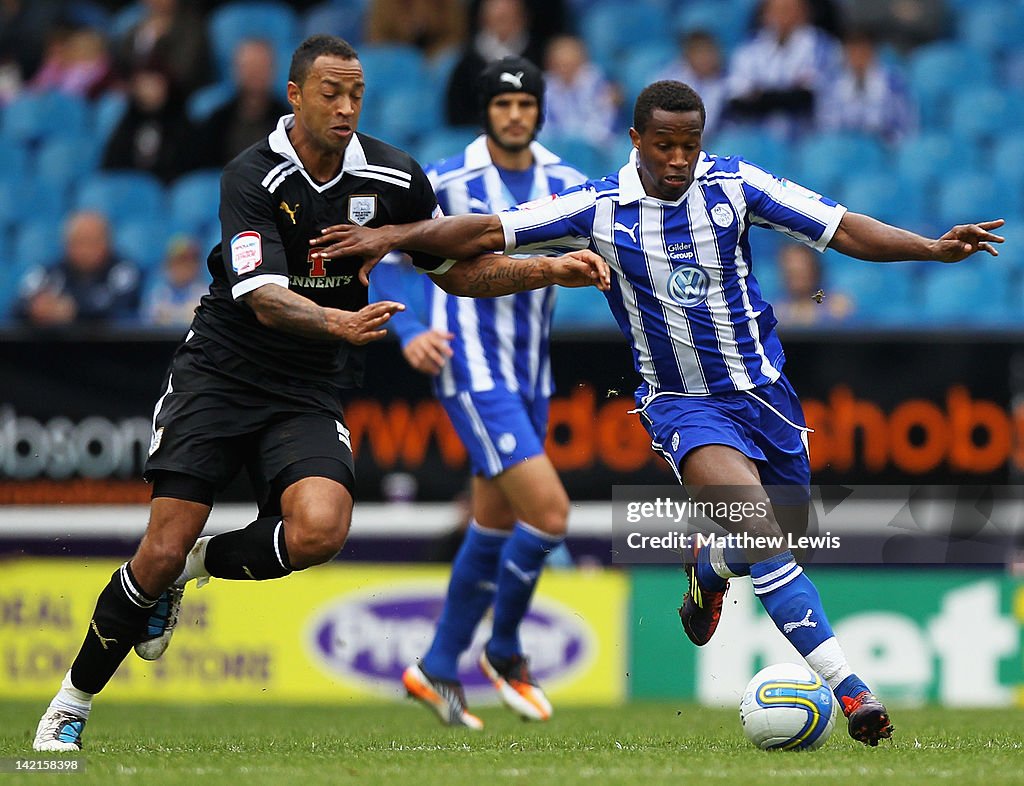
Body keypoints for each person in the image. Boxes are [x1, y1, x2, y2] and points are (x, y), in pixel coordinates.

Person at [309, 80, 1006, 747]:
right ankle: (852, 688)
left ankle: (710, 569)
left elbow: (842, 229)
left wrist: (932, 248)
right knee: (763, 530)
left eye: (689, 146)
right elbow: (485, 230)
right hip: (682, 405)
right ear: (637, 139)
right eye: (664, 146)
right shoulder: (597, 206)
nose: (678, 160)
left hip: (768, 398)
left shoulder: (735, 185)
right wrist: (391, 237)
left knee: (770, 529)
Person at [31, 34, 606, 753]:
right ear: (295, 95)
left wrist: (547, 271)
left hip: (308, 386)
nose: (345, 106)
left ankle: (196, 565)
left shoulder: (394, 178)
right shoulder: (252, 174)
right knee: (154, 552)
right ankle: (71, 703)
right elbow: (264, 296)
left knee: (320, 530)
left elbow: (456, 272)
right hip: (221, 372)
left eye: (356, 94)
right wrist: (338, 320)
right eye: (330, 92)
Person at [372, 56, 587, 729]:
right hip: (471, 367)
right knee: (549, 515)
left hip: (531, 373)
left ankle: (436, 668)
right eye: (502, 105)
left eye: (526, 105)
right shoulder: (446, 180)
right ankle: (504, 648)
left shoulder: (569, 181)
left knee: (494, 523)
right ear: (485, 112)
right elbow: (386, 257)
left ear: (540, 111)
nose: (515, 115)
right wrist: (406, 330)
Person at [724, 0, 842, 139]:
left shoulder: (824, 47)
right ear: (765, 14)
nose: (782, 16)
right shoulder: (748, 49)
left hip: (808, 138)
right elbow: (738, 102)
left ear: (804, 12)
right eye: (776, 10)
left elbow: (808, 98)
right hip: (759, 139)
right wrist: (787, 94)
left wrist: (761, 95)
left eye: (789, 9)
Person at [15, 210, 142, 327]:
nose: (84, 250)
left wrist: (73, 309)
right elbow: (18, 305)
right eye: (77, 242)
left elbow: (118, 306)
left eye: (91, 242)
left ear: (107, 242)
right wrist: (35, 308)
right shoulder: (49, 272)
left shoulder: (124, 270)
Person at [188, 39, 291, 171]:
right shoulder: (215, 123)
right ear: (235, 71)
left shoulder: (290, 123)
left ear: (273, 70)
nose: (254, 73)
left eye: (260, 66)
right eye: (248, 67)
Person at [817, 28, 915, 145]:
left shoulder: (895, 83)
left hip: (884, 149)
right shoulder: (830, 85)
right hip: (845, 148)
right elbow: (826, 125)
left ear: (873, 51)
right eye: (852, 51)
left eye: (862, 51)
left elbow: (906, 125)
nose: (857, 56)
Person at [542, 36, 619, 147]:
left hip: (593, 147)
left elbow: (605, 124)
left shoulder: (597, 83)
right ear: (550, 65)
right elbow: (544, 128)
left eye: (570, 64)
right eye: (560, 65)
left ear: (582, 62)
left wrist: (580, 140)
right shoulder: (544, 87)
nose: (565, 70)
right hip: (558, 147)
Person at [772, 241, 852, 325]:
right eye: (791, 272)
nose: (797, 278)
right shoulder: (776, 311)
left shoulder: (837, 305)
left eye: (802, 271)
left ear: (814, 269)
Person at [141, 234, 208, 327]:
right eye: (180, 261)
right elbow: (148, 322)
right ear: (169, 264)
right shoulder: (158, 293)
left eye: (190, 262)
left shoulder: (205, 293)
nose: (184, 267)